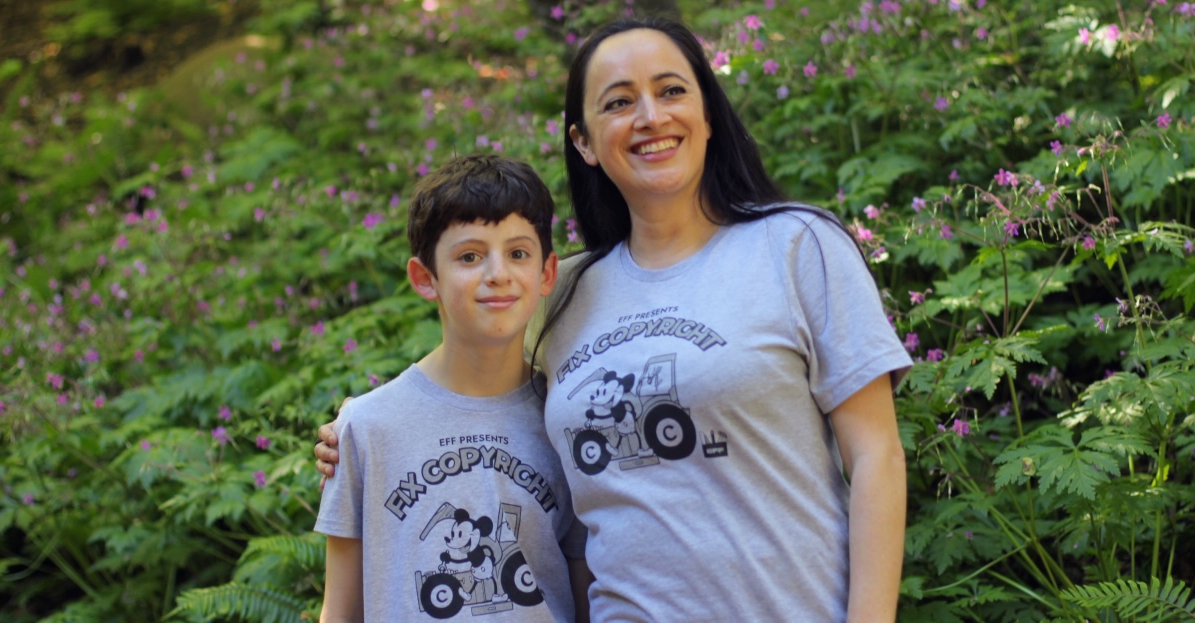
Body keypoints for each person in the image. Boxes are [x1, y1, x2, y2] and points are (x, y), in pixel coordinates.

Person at [318, 16, 911, 622]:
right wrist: (367, 435)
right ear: (584, 142)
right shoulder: (564, 291)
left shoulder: (798, 246)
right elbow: (481, 380)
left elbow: (877, 458)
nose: (651, 116)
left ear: (708, 114)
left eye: (672, 90)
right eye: (620, 102)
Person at [315, 154, 590, 623]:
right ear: (426, 279)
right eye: (469, 256)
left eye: (518, 253)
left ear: (547, 273)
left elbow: (588, 595)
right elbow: (340, 611)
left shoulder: (566, 417)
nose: (498, 273)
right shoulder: (365, 429)